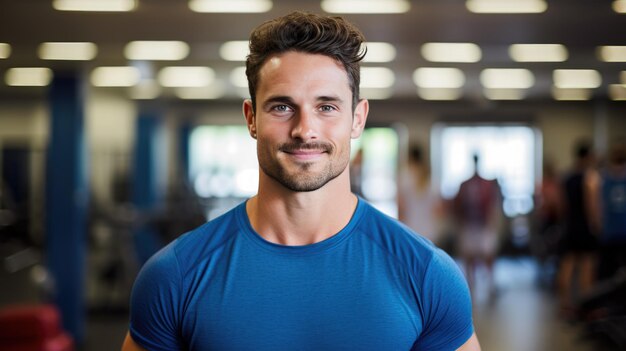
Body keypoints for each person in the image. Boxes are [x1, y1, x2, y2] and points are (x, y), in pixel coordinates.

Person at [122, 11, 480, 351]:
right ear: (251, 118)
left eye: (327, 107)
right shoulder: (175, 276)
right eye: (282, 106)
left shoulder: (427, 274)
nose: (304, 130)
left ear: (357, 119)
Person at [556, 140, 600, 318]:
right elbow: (591, 205)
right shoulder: (589, 178)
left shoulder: (566, 178)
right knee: (586, 266)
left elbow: (561, 206)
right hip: (583, 227)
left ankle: (565, 305)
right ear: (588, 156)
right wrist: (596, 225)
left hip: (570, 226)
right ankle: (585, 304)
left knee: (567, 265)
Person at [452, 154, 502, 299]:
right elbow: (458, 205)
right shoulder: (465, 184)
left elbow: (492, 205)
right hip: (469, 224)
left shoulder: (486, 184)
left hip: (483, 225)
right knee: (469, 256)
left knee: (488, 255)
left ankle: (490, 284)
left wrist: (492, 223)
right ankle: (470, 284)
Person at [398, 144, 443, 245]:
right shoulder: (431, 179)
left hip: (410, 228)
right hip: (430, 229)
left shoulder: (405, 177)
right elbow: (439, 210)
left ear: (409, 157)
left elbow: (401, 208)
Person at [597, 140, 626, 281]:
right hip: (610, 232)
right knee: (608, 274)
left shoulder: (604, 177)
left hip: (615, 230)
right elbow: (598, 206)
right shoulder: (603, 177)